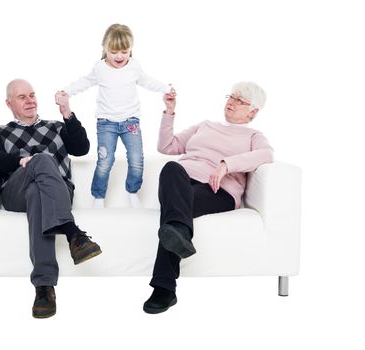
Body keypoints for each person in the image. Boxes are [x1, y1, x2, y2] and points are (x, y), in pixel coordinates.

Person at [143, 82, 274, 314]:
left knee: (173, 217)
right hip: (181, 184)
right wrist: (169, 112)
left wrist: (227, 164)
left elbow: (266, 154)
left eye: (239, 100)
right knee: (172, 168)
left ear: (253, 111)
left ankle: (164, 288)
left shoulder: (253, 135)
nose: (231, 102)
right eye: (231, 97)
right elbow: (167, 146)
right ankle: (178, 242)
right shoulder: (205, 126)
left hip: (217, 191)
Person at [0, 79, 102, 319]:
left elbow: (82, 148)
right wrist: (21, 160)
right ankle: (73, 233)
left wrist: (67, 113)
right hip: (16, 192)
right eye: (22, 97)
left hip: (57, 192)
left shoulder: (57, 127)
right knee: (42, 159)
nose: (30, 101)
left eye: (32, 95)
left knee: (39, 191)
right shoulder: (1, 131)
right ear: (9, 103)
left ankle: (44, 288)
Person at [56, 23, 176, 209]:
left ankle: (132, 191)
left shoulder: (134, 67)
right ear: (104, 49)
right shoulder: (100, 68)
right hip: (106, 124)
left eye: (124, 52)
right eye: (113, 52)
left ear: (131, 50)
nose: (119, 56)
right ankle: (98, 196)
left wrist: (166, 89)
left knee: (137, 159)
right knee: (105, 161)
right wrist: (67, 91)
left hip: (130, 123)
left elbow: (147, 81)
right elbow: (85, 82)